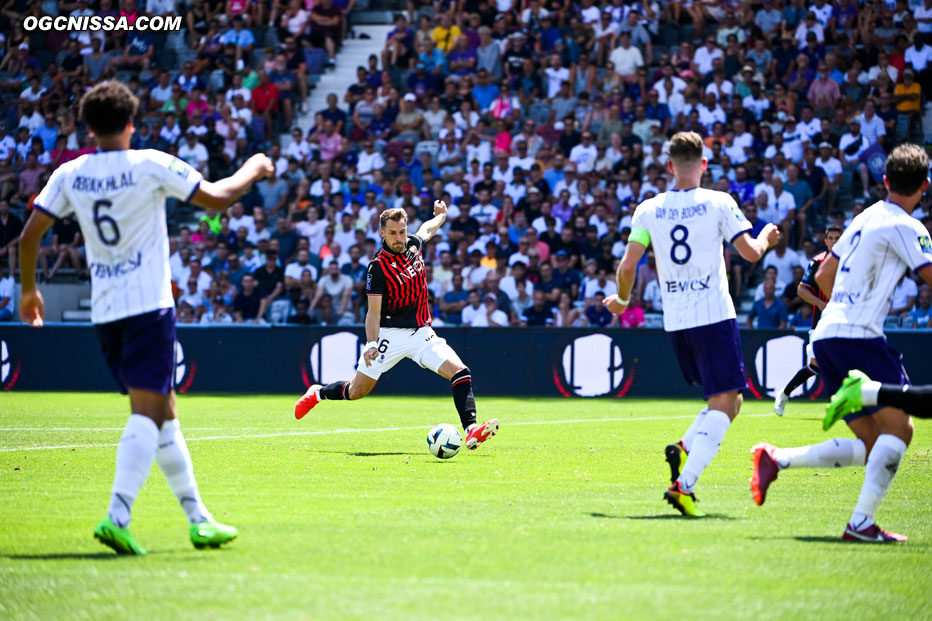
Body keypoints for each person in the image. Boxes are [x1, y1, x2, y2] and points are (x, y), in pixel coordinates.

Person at [18, 81, 274, 555]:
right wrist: (254, 168)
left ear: (87, 127)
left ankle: (199, 519)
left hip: (106, 310)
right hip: (149, 307)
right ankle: (118, 515)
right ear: (132, 123)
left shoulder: (69, 173)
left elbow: (30, 235)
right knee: (147, 413)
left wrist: (30, 288)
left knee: (165, 412)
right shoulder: (150, 163)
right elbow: (217, 198)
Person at [750, 144, 932, 543]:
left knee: (874, 442)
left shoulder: (863, 218)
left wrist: (845, 305)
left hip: (827, 336)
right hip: (859, 337)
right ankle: (861, 524)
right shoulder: (910, 226)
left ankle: (776, 458)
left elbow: (824, 276)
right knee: (901, 430)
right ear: (925, 185)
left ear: (885, 181)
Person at [603, 131, 780, 517]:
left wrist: (621, 300)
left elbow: (628, 265)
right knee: (728, 400)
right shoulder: (719, 202)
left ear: (669, 166)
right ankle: (684, 486)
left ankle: (683, 449)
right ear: (703, 164)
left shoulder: (648, 209)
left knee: (727, 399)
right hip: (714, 313)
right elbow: (749, 254)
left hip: (677, 319)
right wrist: (766, 237)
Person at [293, 201, 500, 452]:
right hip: (389, 336)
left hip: (422, 333)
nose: (399, 238)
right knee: (356, 391)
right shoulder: (377, 267)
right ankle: (318, 393)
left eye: (402, 231)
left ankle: (471, 431)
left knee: (461, 372)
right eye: (392, 233)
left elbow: (428, 229)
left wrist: (442, 216)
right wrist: (371, 344)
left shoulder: (413, 244)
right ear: (382, 233)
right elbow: (373, 312)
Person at [773, 225, 843, 416]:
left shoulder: (850, 262)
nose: (835, 241)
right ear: (826, 241)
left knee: (847, 361)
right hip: (821, 322)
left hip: (844, 320)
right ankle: (785, 393)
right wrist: (821, 304)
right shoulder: (818, 261)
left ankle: (845, 405)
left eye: (838, 238)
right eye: (832, 238)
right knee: (815, 366)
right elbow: (801, 290)